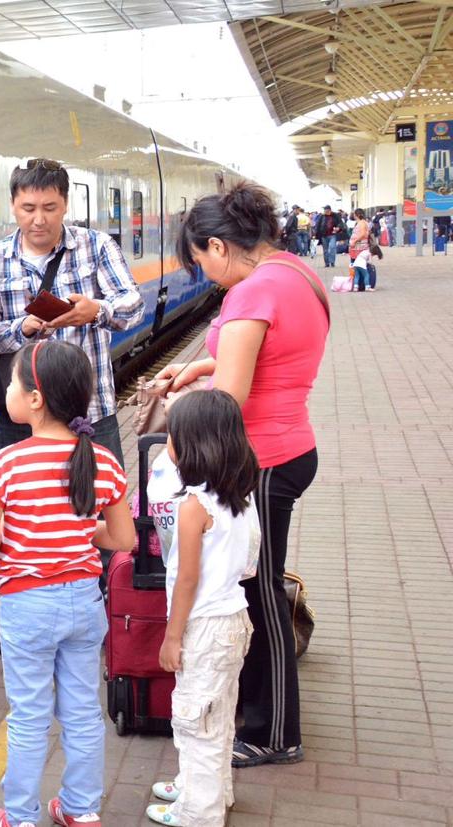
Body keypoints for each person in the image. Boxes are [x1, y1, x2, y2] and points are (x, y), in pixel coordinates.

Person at [156, 181, 329, 770]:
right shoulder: (296, 274)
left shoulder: (252, 292)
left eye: (201, 261)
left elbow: (230, 398)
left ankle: (276, 731)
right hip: (290, 446)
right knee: (258, 588)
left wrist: (181, 419)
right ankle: (261, 713)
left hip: (263, 461)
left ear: (218, 246)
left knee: (260, 596)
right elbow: (270, 355)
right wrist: (203, 364)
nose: (204, 274)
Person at [0, 341, 136, 827]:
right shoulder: (102, 460)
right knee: (83, 711)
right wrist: (84, 530)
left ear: (36, 399)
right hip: (84, 603)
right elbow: (123, 537)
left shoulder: (7, 464)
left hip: (26, 607)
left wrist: (21, 531)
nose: (7, 391)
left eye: (13, 383)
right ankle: (82, 810)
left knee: (28, 716)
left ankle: (20, 816)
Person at [0, 159, 144, 463]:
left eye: (49, 208)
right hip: (23, 419)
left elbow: (134, 305)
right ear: (12, 205)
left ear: (65, 204)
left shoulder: (97, 246)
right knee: (23, 510)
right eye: (28, 208)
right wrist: (22, 327)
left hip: (89, 414)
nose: (39, 219)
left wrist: (96, 311)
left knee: (99, 506)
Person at [145, 390, 259, 827]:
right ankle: (208, 789)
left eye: (173, 435)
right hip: (234, 617)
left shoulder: (194, 507)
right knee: (217, 715)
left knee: (196, 721)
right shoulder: (241, 495)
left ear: (192, 446)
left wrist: (172, 638)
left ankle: (199, 812)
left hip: (203, 626)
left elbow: (187, 580)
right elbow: (249, 562)